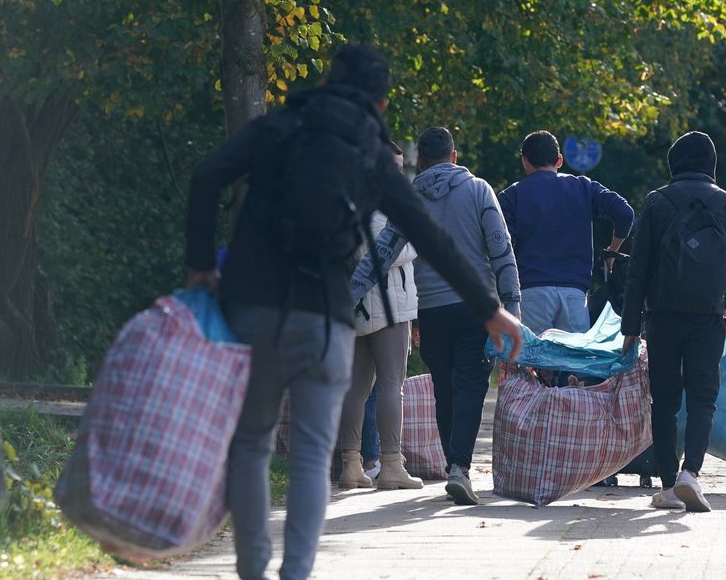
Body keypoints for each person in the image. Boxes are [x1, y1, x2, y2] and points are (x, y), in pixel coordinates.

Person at [184, 46, 522, 580]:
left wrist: (201, 266)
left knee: (250, 441)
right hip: (322, 311)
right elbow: (424, 233)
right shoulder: (367, 147)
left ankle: (252, 567)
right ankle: (295, 570)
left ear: (328, 81)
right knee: (315, 455)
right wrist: (490, 309)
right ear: (381, 101)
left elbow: (206, 178)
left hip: (250, 302)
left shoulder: (280, 124)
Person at [350, 126, 521, 506]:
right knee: (472, 386)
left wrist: (347, 297)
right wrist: (512, 307)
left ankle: (452, 465)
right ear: (455, 156)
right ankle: (458, 466)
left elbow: (381, 255)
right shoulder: (479, 190)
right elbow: (501, 251)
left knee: (444, 385)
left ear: (421, 162)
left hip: (430, 310)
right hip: (476, 307)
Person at [620, 132, 726, 512]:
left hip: (662, 317)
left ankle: (669, 486)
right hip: (709, 317)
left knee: (665, 401)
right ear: (711, 164)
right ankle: (692, 473)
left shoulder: (656, 202)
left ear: (675, 163)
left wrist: (630, 329)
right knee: (704, 398)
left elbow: (637, 271)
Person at [335, 142, 423, 492]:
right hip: (388, 307)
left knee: (356, 389)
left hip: (354, 309)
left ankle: (351, 464)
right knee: (391, 385)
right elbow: (405, 250)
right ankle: (390, 463)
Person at [498, 130, 634, 334]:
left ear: (525, 161)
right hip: (575, 294)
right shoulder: (583, 187)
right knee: (572, 362)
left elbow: (504, 245)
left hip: (531, 291)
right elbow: (625, 213)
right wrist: (611, 252)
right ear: (559, 160)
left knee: (533, 361)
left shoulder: (512, 196)